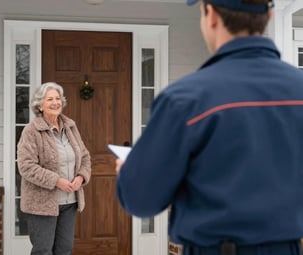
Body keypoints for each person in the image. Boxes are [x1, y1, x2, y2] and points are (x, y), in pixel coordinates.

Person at [115, 0, 303, 254]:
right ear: (269, 15)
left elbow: (141, 200)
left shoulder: (185, 99)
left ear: (210, 14)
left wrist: (129, 172)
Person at [17, 82, 91, 255]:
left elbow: (85, 157)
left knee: (64, 250)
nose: (55, 102)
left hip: (69, 202)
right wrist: (56, 181)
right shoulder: (31, 131)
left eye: (58, 98)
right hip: (42, 204)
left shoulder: (71, 127)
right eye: (49, 99)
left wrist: (80, 177)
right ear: (40, 105)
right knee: (43, 251)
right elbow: (26, 166)